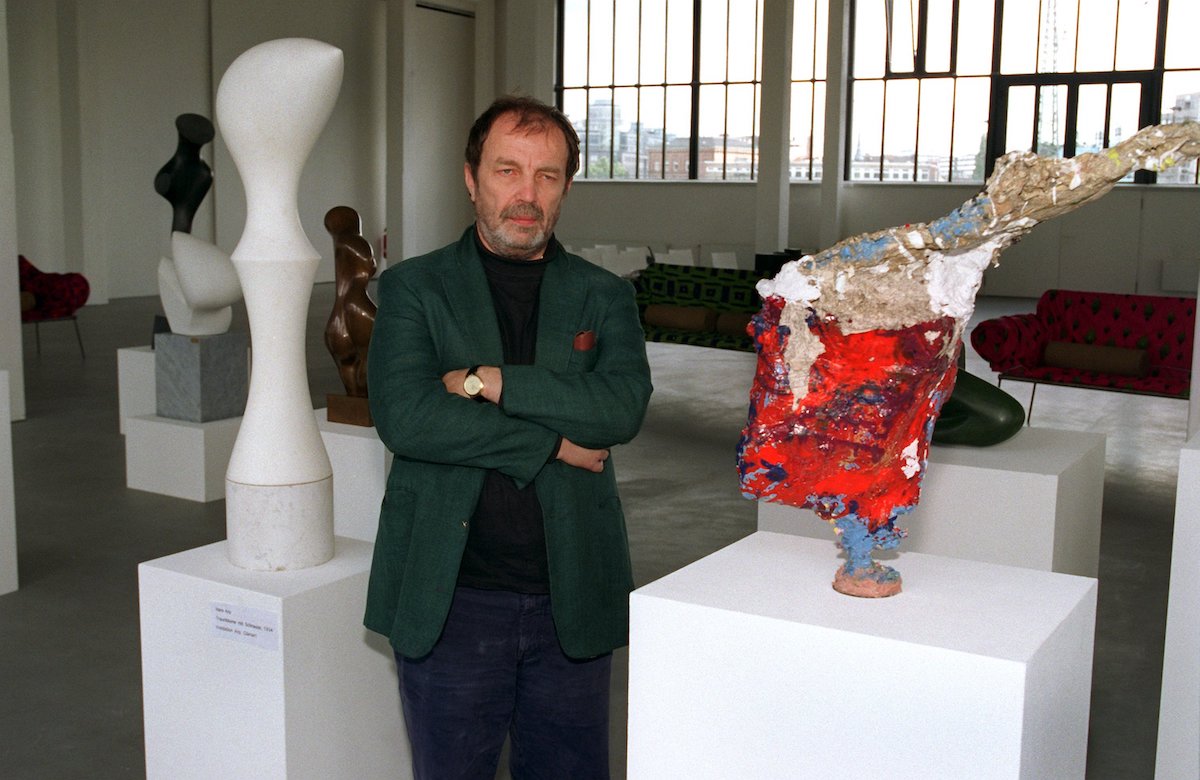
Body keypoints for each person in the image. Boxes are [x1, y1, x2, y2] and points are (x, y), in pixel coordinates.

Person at [364, 95, 653, 779]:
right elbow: (406, 416)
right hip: (452, 600)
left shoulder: (603, 296)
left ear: (566, 187)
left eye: (547, 176)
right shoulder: (413, 289)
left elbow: (619, 411)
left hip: (571, 599)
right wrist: (551, 444)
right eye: (507, 170)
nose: (526, 194)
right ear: (471, 179)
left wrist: (490, 381)